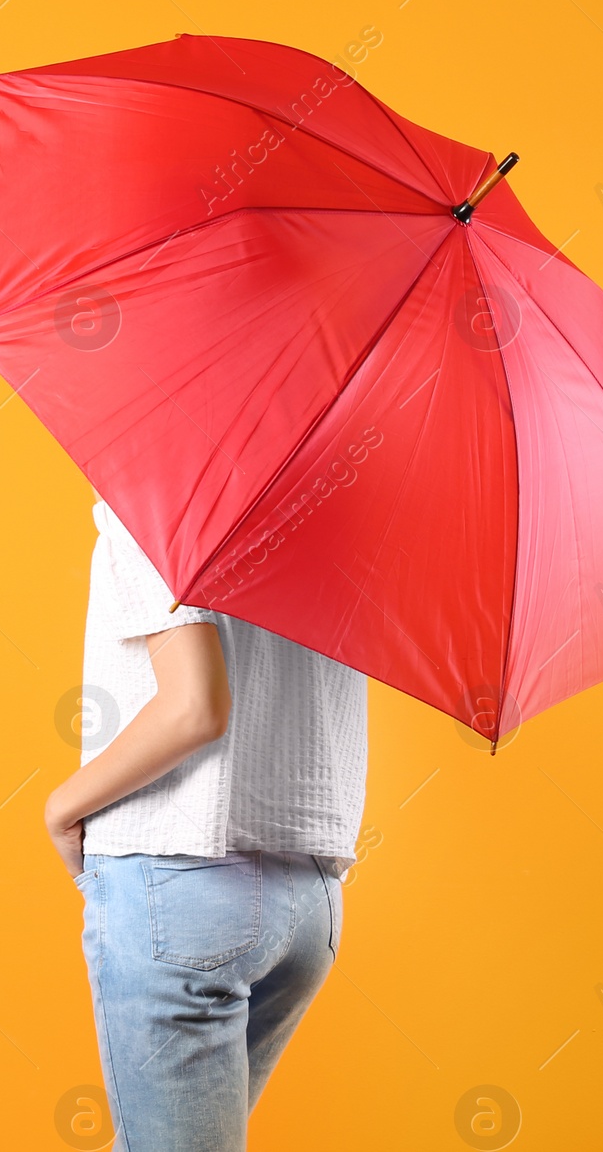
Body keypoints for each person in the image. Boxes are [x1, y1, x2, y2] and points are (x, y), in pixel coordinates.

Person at [44, 487, 369, 1150]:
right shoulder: (334, 510)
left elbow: (195, 708)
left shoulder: (155, 498)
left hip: (182, 886)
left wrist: (64, 807)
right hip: (311, 898)